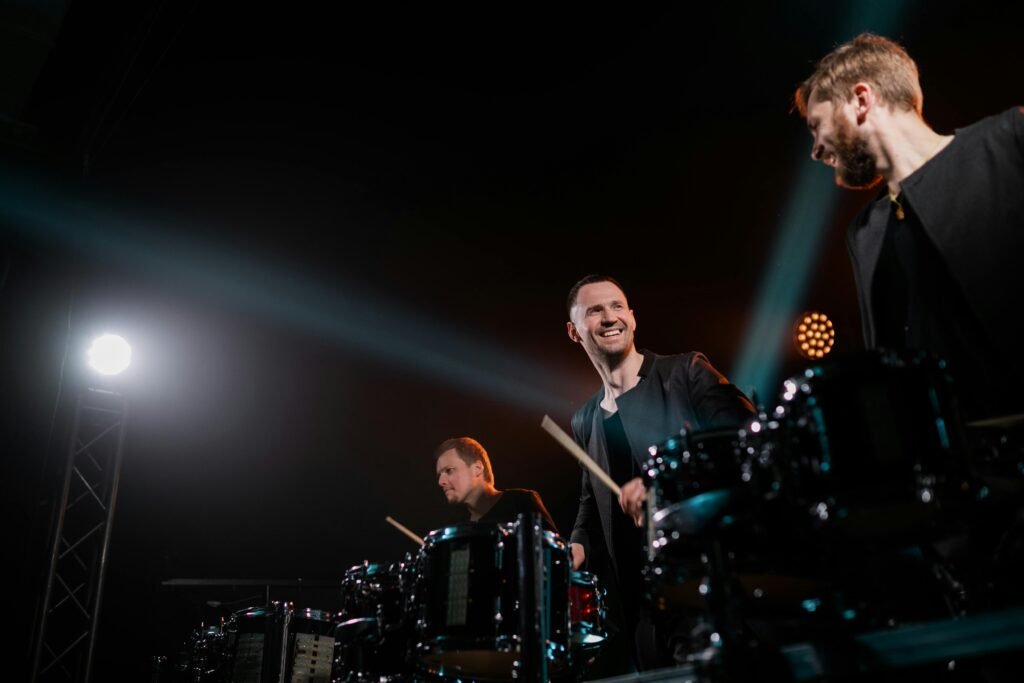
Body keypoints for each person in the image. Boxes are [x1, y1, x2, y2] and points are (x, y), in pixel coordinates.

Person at [795, 33, 1024, 421]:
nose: (815, 149)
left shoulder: (1007, 142)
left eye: (817, 125)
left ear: (861, 100)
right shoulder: (866, 232)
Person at [565, 274, 756, 671]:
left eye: (617, 306)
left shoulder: (686, 372)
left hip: (709, 584)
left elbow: (743, 441)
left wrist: (658, 481)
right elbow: (591, 502)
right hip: (642, 607)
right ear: (574, 330)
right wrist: (576, 546)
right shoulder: (584, 420)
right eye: (595, 310)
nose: (609, 317)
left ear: (633, 318)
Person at [435, 436, 557, 532]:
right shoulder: (456, 528)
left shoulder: (521, 502)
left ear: (477, 468)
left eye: (449, 470)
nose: (441, 482)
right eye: (439, 474)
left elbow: (553, 557)